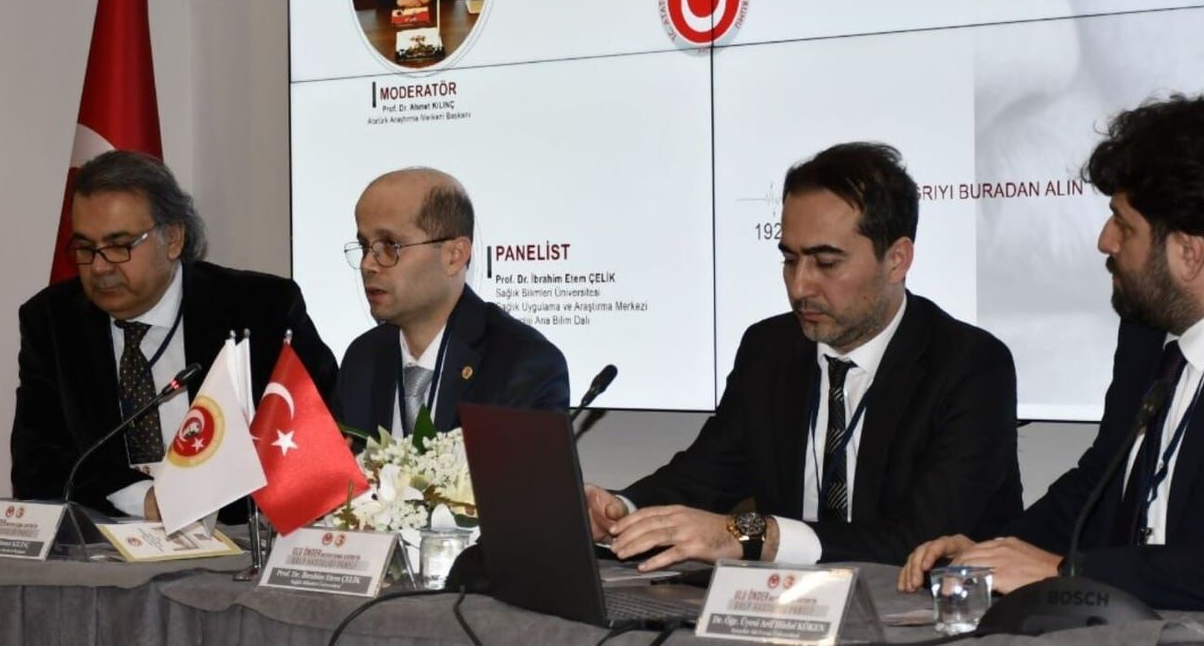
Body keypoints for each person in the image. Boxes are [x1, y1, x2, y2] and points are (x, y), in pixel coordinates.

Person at [585, 142, 1022, 570]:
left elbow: (924, 539)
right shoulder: (769, 349)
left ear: (896, 260)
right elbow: (706, 475)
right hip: (790, 604)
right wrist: (620, 512)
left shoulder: (970, 365)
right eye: (790, 260)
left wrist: (755, 535)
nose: (799, 287)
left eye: (826, 263)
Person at [900, 94, 1204, 610]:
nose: (1105, 241)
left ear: (1188, 253)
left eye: (1124, 225)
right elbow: (1099, 480)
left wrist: (1064, 571)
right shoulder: (1146, 334)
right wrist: (992, 551)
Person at [11, 150, 338, 521]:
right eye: (86, 248)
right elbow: (36, 464)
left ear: (173, 238)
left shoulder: (262, 308)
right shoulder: (52, 320)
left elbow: (321, 439)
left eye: (118, 246)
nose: (99, 267)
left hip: (238, 536)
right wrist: (145, 499)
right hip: (107, 539)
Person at [333, 168, 569, 437]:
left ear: (455, 256)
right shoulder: (363, 360)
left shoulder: (521, 364)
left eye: (390, 246)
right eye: (365, 246)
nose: (368, 264)